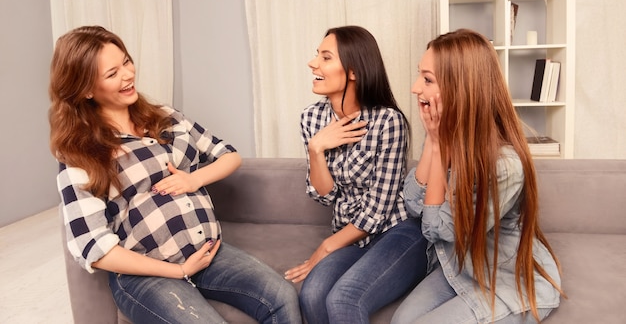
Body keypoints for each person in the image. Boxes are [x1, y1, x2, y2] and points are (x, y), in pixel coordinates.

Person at [49, 25, 301, 324]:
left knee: (282, 298)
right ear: (87, 89)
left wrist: (193, 179)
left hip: (207, 251)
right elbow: (93, 246)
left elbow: (228, 155)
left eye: (126, 62)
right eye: (112, 73)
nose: (128, 75)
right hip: (145, 273)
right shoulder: (79, 152)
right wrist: (178, 271)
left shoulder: (165, 116)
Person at [391, 29, 564, 324]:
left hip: (507, 280)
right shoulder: (449, 133)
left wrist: (439, 144)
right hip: (462, 267)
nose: (415, 87)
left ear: (460, 87)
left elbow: (437, 229)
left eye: (427, 79)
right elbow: (413, 203)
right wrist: (434, 142)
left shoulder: (505, 165)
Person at [284, 26, 428, 324]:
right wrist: (316, 148)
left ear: (353, 71)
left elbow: (378, 212)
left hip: (396, 230)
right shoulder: (311, 118)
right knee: (310, 295)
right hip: (349, 235)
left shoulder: (388, 122)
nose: (313, 64)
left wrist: (325, 246)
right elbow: (325, 196)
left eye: (325, 57)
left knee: (343, 298)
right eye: (317, 56)